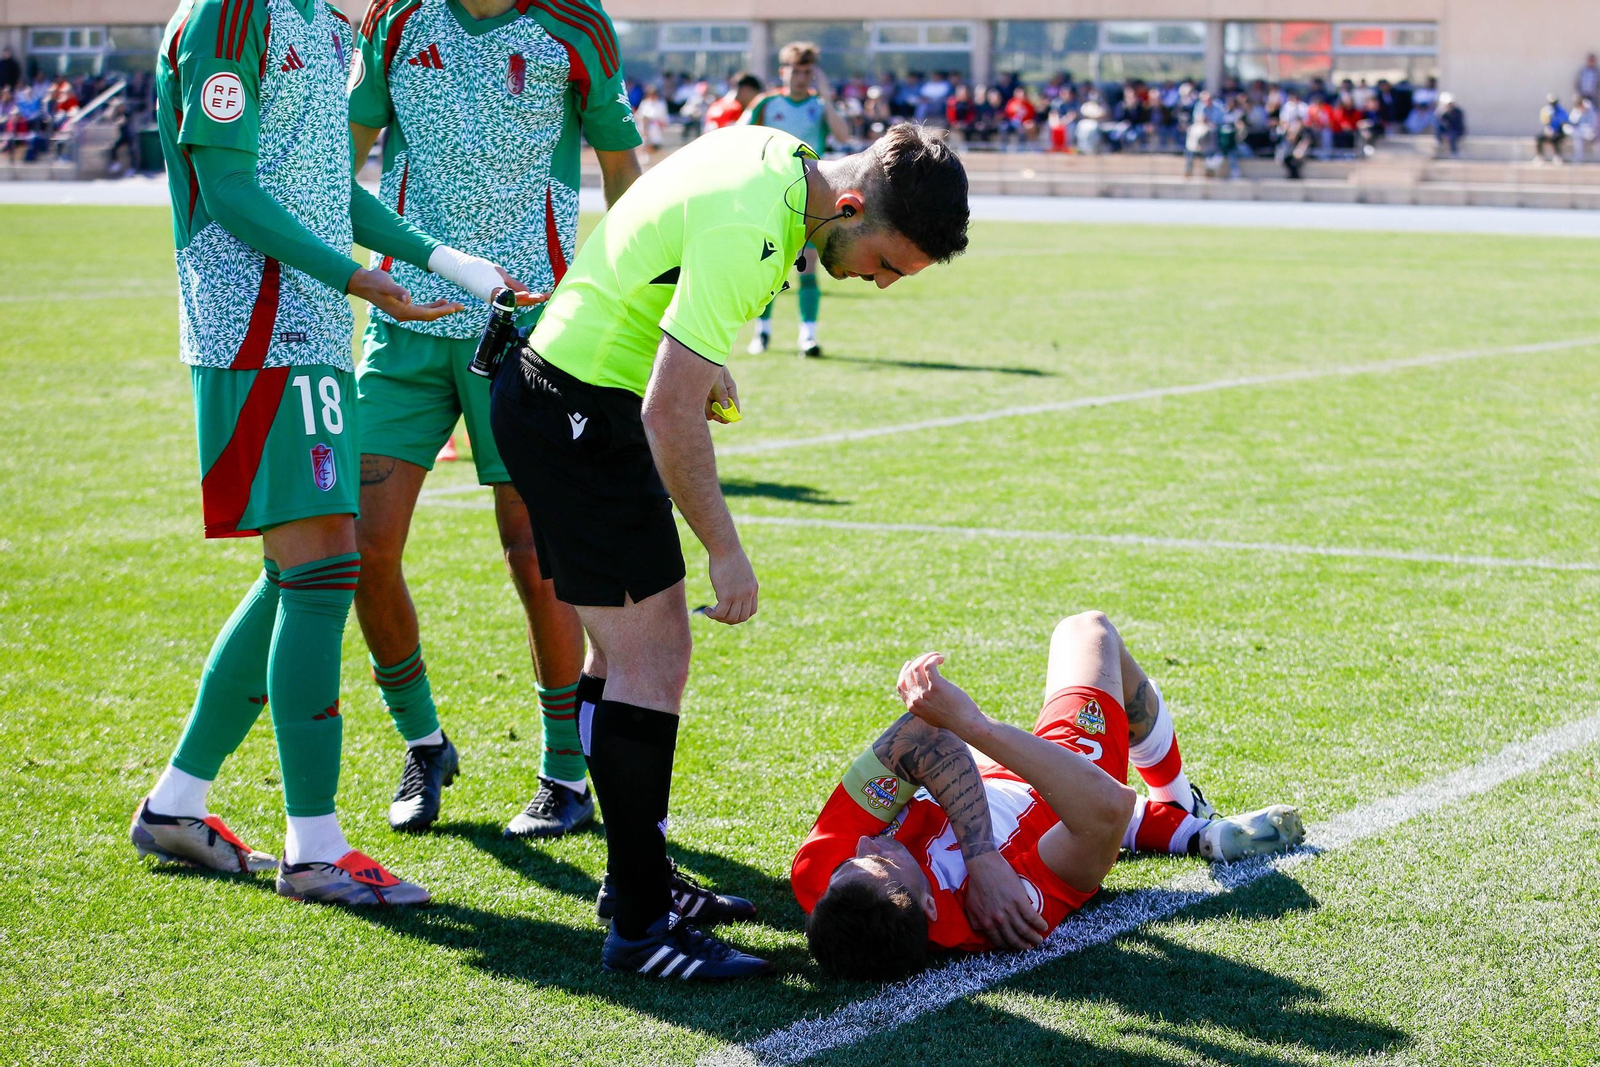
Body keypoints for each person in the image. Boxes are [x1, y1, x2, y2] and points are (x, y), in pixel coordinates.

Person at [488, 121, 970, 979]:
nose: (880, 282)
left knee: (621, 657)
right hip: (580, 410)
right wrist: (726, 550)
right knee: (655, 658)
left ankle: (634, 882)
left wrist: (699, 358)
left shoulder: (777, 158)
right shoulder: (759, 225)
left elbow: (659, 252)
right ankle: (642, 929)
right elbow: (667, 413)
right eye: (885, 263)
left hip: (568, 395)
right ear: (850, 206)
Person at [131, 0, 534, 906]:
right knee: (323, 569)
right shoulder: (232, 10)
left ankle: (178, 802)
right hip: (253, 331)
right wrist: (359, 278)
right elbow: (229, 189)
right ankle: (314, 849)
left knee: (301, 574)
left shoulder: (321, 19)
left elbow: (322, 186)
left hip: (309, 329)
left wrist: (445, 260)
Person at [346, 0, 643, 838]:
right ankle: (423, 741)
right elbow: (339, 160)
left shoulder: (576, 23)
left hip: (529, 332)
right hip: (403, 326)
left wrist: (624, 305)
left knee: (536, 558)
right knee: (360, 546)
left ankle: (564, 770)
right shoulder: (397, 16)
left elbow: (625, 181)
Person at [795, 613, 1306, 979]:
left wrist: (980, 854)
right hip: (1058, 785)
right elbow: (1105, 809)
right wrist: (972, 724)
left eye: (850, 864)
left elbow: (922, 738)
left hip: (980, 774)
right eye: (881, 861)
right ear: (929, 906)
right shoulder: (1003, 913)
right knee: (1087, 631)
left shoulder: (825, 877)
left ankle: (1184, 831)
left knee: (960, 761)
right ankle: (1177, 804)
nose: (865, 845)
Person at [740, 41, 849, 358]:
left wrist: (827, 97)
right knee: (768, 266)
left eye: (807, 72)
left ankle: (808, 337)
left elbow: (843, 135)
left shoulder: (819, 105)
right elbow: (738, 135)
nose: (801, 78)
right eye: (796, 71)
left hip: (811, 196)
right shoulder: (766, 103)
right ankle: (762, 332)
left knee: (808, 268)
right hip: (772, 195)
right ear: (783, 71)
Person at [634, 85, 668, 160]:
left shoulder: (661, 103)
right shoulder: (644, 103)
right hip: (644, 126)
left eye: (653, 94)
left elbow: (663, 117)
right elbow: (639, 114)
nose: (652, 96)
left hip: (656, 126)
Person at [1536, 93, 1569, 163]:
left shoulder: (1561, 110)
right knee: (1539, 138)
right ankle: (1540, 156)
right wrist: (1548, 130)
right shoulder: (1546, 110)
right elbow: (1545, 122)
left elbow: (1564, 122)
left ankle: (1557, 156)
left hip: (1559, 130)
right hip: (1550, 130)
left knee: (1556, 138)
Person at [1435, 93, 1465, 158]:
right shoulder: (1445, 113)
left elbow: (1457, 124)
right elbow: (1441, 122)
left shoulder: (1458, 112)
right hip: (1449, 130)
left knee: (1452, 137)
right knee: (1438, 128)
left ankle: (1454, 152)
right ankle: (1439, 142)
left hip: (1456, 130)